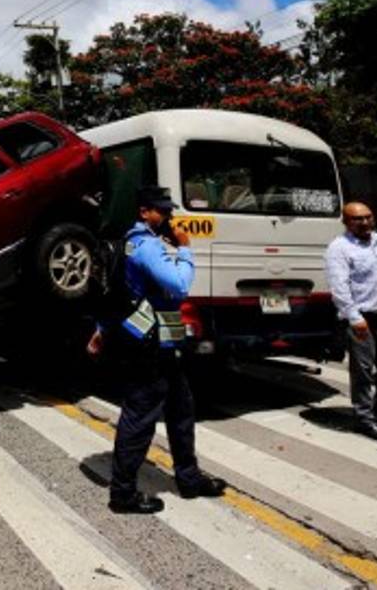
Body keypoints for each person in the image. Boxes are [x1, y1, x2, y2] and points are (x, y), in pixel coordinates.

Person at [86, 185, 226, 514]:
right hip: (150, 344)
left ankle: (189, 480)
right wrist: (186, 250)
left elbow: (120, 294)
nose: (169, 217)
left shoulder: (131, 244)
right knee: (140, 415)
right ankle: (123, 494)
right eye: (162, 211)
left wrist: (102, 330)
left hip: (160, 339)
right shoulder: (147, 247)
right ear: (144, 212)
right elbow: (177, 285)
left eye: (168, 210)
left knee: (181, 410)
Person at [325, 201, 377, 441]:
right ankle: (365, 419)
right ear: (346, 222)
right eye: (357, 219)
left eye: (368, 217)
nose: (364, 222)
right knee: (363, 372)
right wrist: (354, 317)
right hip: (362, 319)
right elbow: (339, 287)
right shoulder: (339, 248)